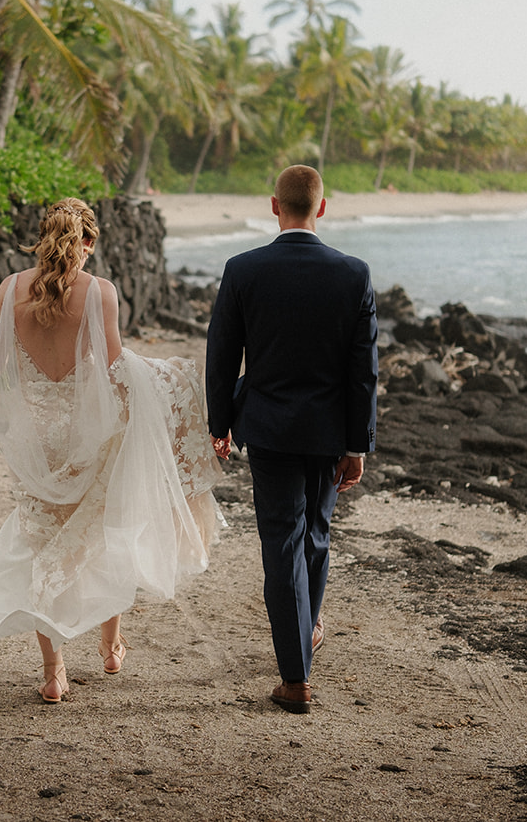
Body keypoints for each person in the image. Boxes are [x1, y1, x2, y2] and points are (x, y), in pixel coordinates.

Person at [0, 198, 222, 703]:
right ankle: (111, 644)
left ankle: (53, 672)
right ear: (88, 242)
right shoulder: (100, 292)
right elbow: (114, 370)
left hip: (37, 441)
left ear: (42, 237)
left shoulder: (9, 289)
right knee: (102, 529)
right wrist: (167, 384)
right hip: (88, 434)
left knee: (45, 544)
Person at [205, 166, 378, 715]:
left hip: (269, 427)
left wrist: (219, 423)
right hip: (328, 432)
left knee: (282, 541)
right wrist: (358, 445)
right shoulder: (353, 274)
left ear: (273, 206)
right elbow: (363, 372)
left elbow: (222, 353)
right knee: (317, 535)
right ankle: (305, 636)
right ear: (322, 209)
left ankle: (296, 676)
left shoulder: (243, 269)